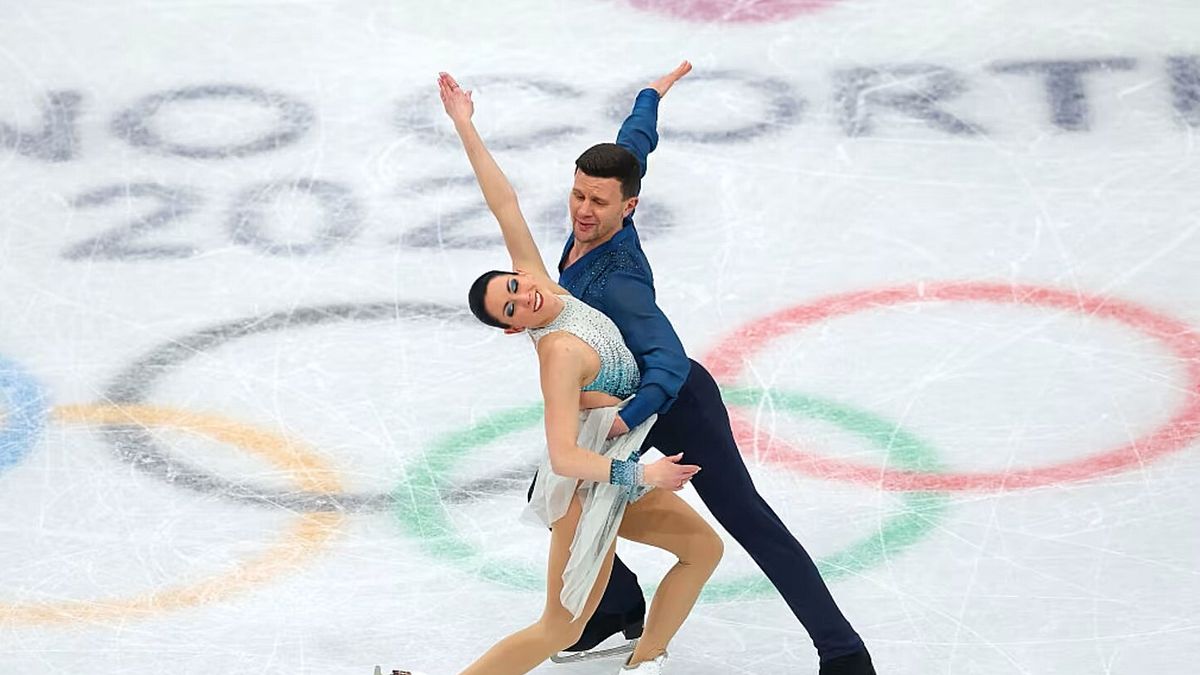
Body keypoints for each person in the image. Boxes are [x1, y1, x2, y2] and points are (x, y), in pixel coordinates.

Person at [529, 62, 877, 674]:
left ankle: (844, 653)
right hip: (619, 399)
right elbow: (634, 144)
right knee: (557, 492)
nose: (583, 210)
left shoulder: (622, 282)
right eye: (578, 194)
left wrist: (625, 421)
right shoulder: (603, 204)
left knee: (748, 519)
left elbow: (664, 361)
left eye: (598, 202)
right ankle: (614, 607)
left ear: (629, 208)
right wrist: (648, 97)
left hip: (675, 404)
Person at [419, 70, 725, 675]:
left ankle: (645, 660)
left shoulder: (546, 284)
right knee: (560, 624)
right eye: (510, 309)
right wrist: (645, 471)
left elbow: (502, 202)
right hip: (587, 487)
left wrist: (464, 125)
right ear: (513, 327)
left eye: (513, 286)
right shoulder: (557, 351)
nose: (520, 297)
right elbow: (563, 457)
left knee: (702, 550)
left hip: (615, 476)